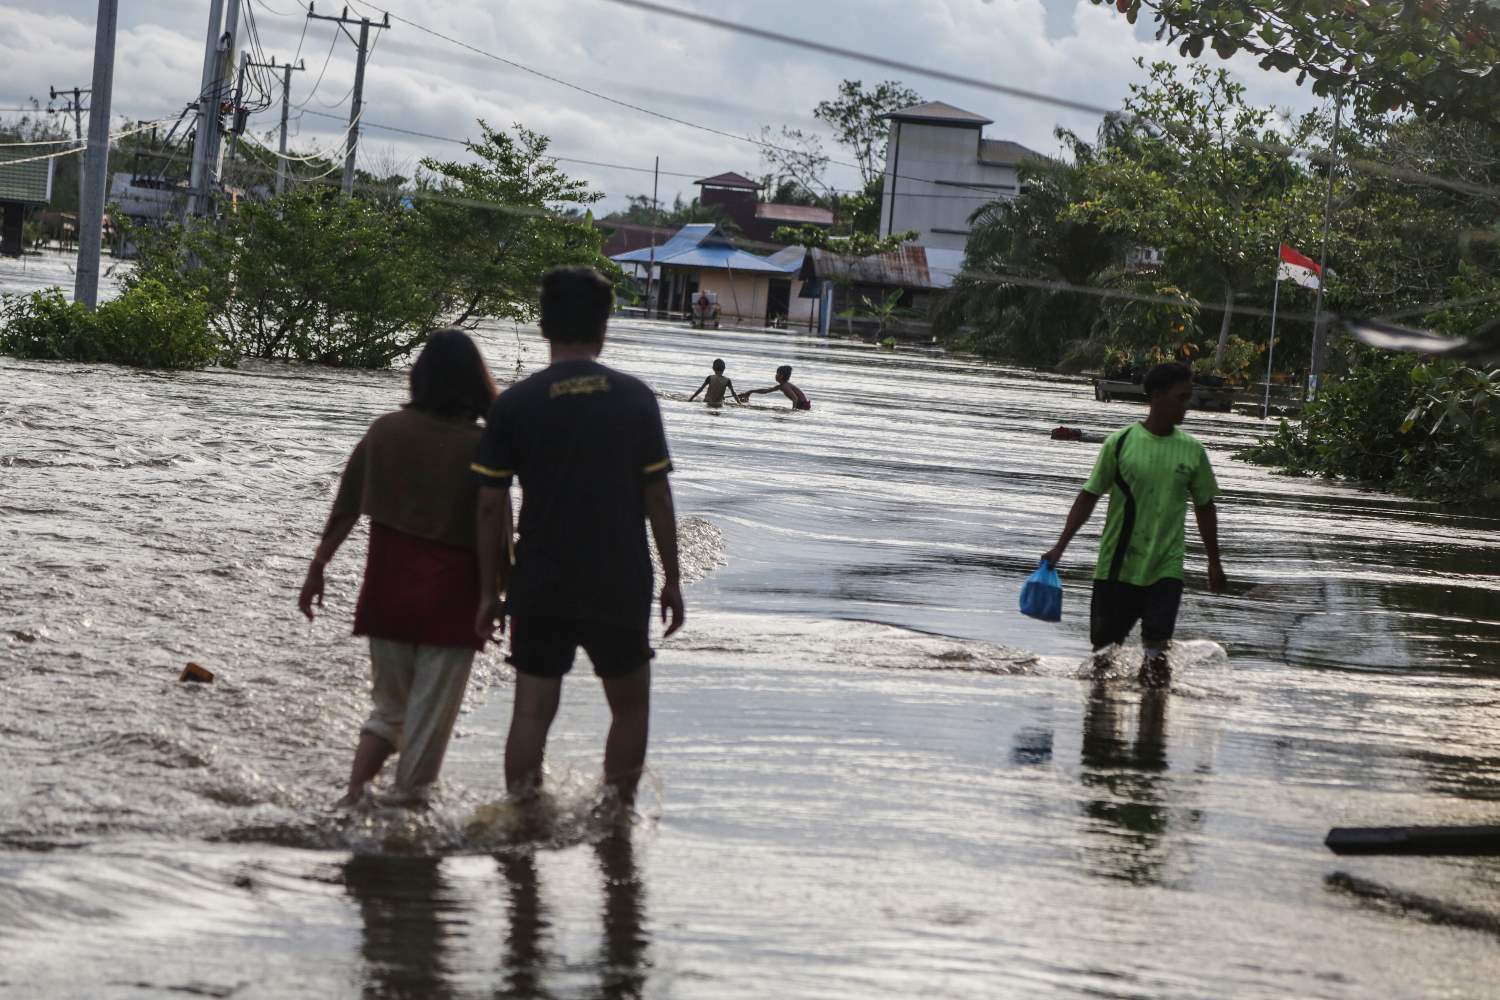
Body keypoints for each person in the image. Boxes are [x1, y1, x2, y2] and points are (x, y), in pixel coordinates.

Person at [472, 266, 685, 804]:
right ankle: (614, 821)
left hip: (541, 582)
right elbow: (657, 498)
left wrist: (488, 593)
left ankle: (522, 820)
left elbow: (490, 507)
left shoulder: (514, 405)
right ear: (603, 329)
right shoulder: (636, 400)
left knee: (531, 713)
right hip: (620, 579)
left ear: (544, 327)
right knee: (630, 707)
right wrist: (673, 580)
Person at [299, 328, 496, 806]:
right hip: (453, 600)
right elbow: (491, 527)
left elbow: (345, 506)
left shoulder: (385, 431)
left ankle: (353, 797)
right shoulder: (483, 448)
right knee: (428, 724)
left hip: (388, 590)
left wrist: (318, 566)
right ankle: (405, 820)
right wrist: (495, 594)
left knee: (389, 711)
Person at [1040, 362, 1226, 688]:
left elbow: (1205, 507)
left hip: (1166, 570)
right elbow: (1089, 497)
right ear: (1157, 396)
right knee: (1103, 657)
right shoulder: (1121, 443)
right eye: (1181, 398)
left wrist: (1214, 561)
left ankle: (1153, 728)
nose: (1187, 405)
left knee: (1156, 656)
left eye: (1189, 398)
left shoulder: (1193, 452)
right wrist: (1060, 546)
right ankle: (1101, 722)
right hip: (1116, 567)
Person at [740, 364, 811, 410]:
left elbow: (795, 398)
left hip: (802, 406)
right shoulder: (782, 386)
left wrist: (793, 410)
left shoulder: (785, 386)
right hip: (802, 405)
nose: (775, 375)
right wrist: (751, 391)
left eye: (777, 374)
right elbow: (766, 391)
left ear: (781, 376)